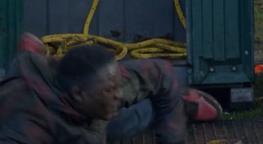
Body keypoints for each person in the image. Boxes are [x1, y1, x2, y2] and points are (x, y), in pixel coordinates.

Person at [0, 37, 221, 144]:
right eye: (109, 90)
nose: (117, 93)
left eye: (117, 85)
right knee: (128, 121)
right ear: (79, 94)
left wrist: (172, 138)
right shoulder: (24, 126)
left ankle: (177, 105)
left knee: (133, 106)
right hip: (61, 130)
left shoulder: (102, 81)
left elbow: (162, 71)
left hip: (86, 112)